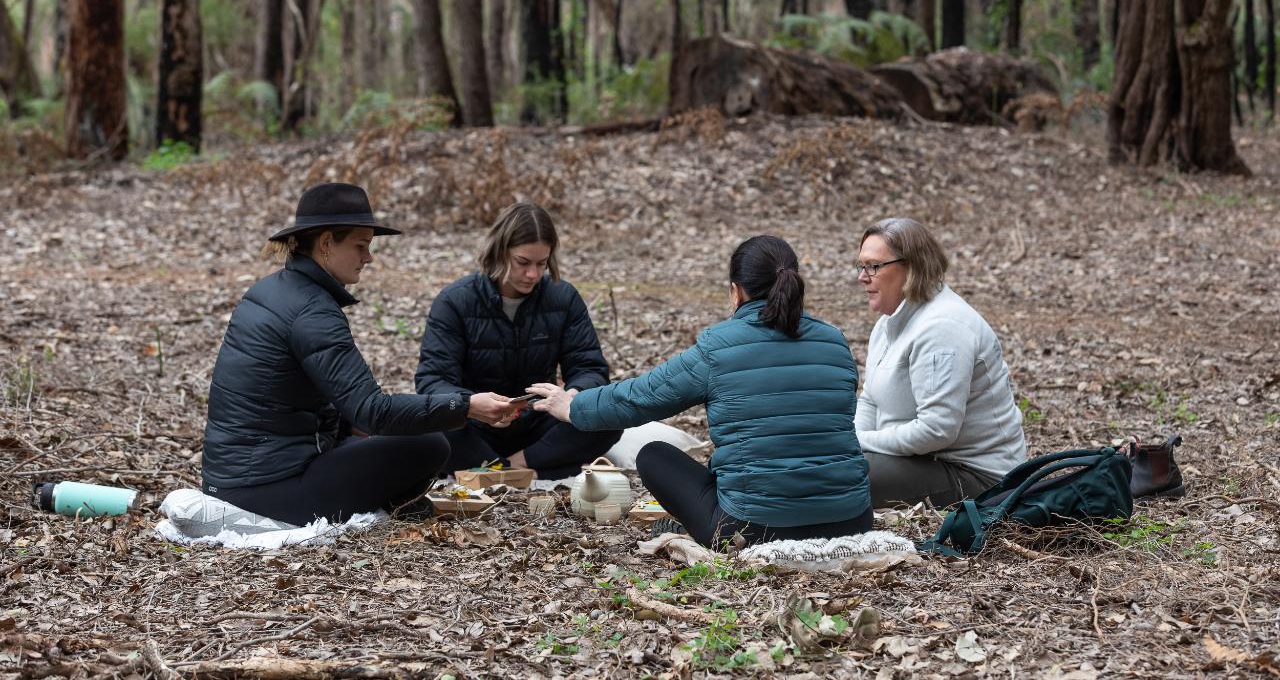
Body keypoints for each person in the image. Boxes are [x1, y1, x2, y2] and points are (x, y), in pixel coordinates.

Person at [529, 236, 873, 549]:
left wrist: (573, 407)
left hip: (751, 529)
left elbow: (641, 397)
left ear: (736, 291)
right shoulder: (835, 342)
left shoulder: (719, 347)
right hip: (851, 521)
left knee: (653, 455)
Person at [201, 183, 515, 526]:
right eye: (360, 246)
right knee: (430, 445)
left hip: (230, 481)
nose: (369, 257)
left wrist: (350, 426)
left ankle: (398, 502)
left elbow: (295, 396)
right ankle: (397, 504)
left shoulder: (272, 290)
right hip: (266, 490)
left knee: (385, 434)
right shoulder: (312, 311)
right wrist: (466, 406)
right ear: (326, 243)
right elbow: (372, 410)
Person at [415, 203, 619, 479]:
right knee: (424, 423)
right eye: (523, 262)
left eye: (542, 263)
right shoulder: (455, 301)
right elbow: (433, 380)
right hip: (474, 426)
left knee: (609, 414)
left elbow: (589, 368)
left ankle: (510, 467)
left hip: (539, 423)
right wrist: (472, 405)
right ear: (499, 252)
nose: (533, 274)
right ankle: (529, 470)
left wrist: (573, 395)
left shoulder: (563, 297)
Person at [854, 217, 1027, 508]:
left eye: (874, 266)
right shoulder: (889, 323)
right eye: (861, 265)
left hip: (979, 478)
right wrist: (852, 442)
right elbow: (871, 398)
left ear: (912, 268)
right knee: (830, 464)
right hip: (921, 460)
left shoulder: (943, 328)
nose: (862, 276)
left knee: (840, 476)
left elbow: (936, 431)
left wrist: (860, 443)